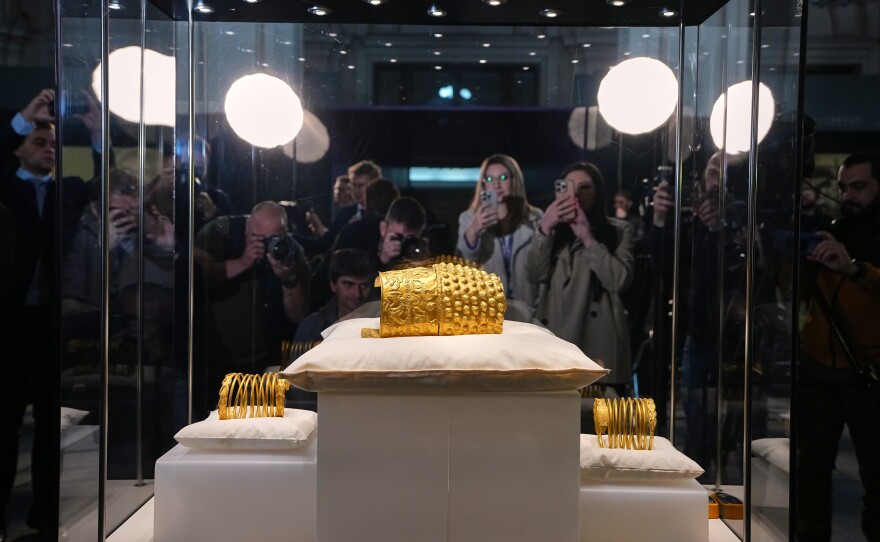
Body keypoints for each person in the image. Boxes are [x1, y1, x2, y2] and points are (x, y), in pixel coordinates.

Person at [0, 89, 90, 540]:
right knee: (7, 423)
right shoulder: (7, 186)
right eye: (38, 141)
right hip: (9, 325)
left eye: (53, 143)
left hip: (51, 326)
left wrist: (93, 130)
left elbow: (101, 179)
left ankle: (45, 518)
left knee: (51, 429)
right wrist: (24, 117)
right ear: (18, 146)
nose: (48, 148)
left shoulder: (65, 192)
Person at [796, 150, 880, 542]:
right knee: (809, 478)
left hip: (867, 375)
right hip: (818, 370)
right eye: (843, 187)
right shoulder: (834, 229)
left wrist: (855, 269)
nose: (848, 195)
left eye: (859, 187)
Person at [194, 201, 311, 414]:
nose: (268, 245)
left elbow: (300, 315)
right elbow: (195, 277)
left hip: (264, 362)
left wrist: (288, 279)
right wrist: (243, 261)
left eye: (274, 238)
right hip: (214, 359)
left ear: (285, 232)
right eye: (260, 238)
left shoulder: (290, 251)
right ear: (248, 225)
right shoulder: (221, 231)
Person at [525, 162, 633, 392]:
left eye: (585, 187)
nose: (576, 194)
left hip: (597, 339)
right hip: (554, 337)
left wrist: (587, 237)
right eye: (567, 187)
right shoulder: (550, 231)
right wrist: (545, 229)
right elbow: (533, 273)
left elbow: (619, 281)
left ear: (598, 192)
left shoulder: (618, 230)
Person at [457, 154, 543, 309]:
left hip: (527, 307)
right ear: (483, 183)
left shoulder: (535, 217)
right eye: (489, 179)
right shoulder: (469, 218)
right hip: (488, 307)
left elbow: (542, 267)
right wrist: (473, 232)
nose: (496, 185)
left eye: (503, 177)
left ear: (514, 180)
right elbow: (465, 268)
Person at [376, 196, 428, 271]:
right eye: (397, 237)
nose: (403, 244)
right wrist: (382, 261)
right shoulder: (365, 246)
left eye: (409, 239)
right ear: (383, 228)